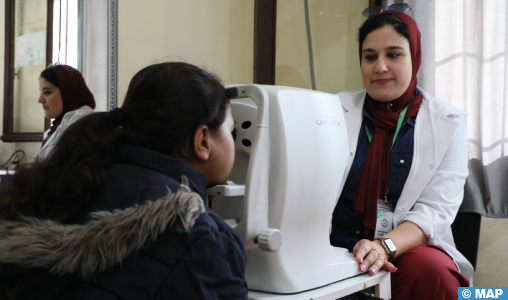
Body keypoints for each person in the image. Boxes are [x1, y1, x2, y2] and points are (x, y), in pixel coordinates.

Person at [0, 62, 248, 300]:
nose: (235, 146)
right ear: (203, 141)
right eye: (230, 130)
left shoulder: (72, 181)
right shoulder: (202, 237)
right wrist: (223, 251)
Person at [329, 11, 471, 299]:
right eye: (370, 57)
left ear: (415, 57)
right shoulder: (332, 110)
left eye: (394, 55)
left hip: (403, 250)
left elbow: (435, 210)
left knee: (431, 271)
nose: (380, 66)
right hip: (336, 245)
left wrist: (384, 246)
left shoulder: (448, 122)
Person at [38, 64, 96, 160]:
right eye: (41, 92)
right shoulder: (59, 125)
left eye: (47, 92)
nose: (40, 100)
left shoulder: (82, 125)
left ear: (68, 92)